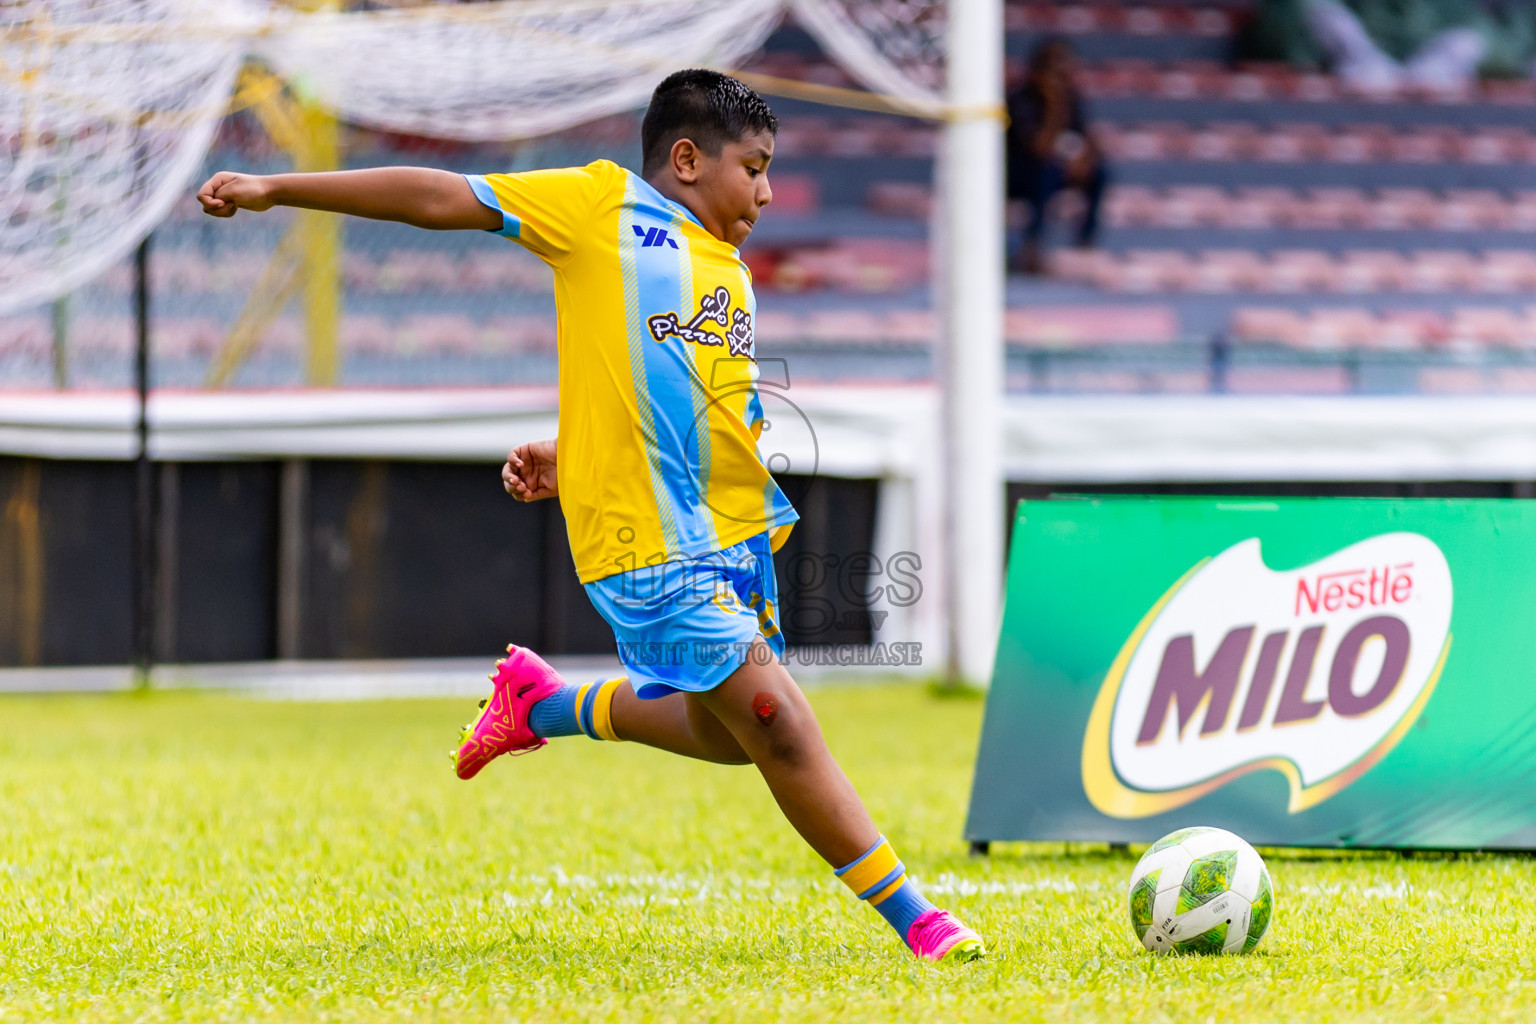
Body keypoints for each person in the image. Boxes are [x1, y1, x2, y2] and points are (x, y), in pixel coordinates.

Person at [196, 69, 984, 964]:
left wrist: (576, 461)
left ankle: (547, 703)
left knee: (730, 738)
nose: (767, 192)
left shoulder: (729, 274)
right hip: (645, 549)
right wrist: (276, 186)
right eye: (754, 168)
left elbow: (680, 411)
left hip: (726, 541)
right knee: (779, 725)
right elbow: (438, 195)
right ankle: (920, 921)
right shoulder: (599, 207)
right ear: (686, 159)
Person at [1006, 37, 1107, 275]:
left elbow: (1085, 136)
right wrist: (1053, 106)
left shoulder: (1071, 97)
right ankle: (1032, 246)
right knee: (1045, 171)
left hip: (1057, 168)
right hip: (1019, 175)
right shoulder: (1020, 99)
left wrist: (1083, 160)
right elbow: (1038, 147)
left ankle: (1085, 242)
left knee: (1099, 172)